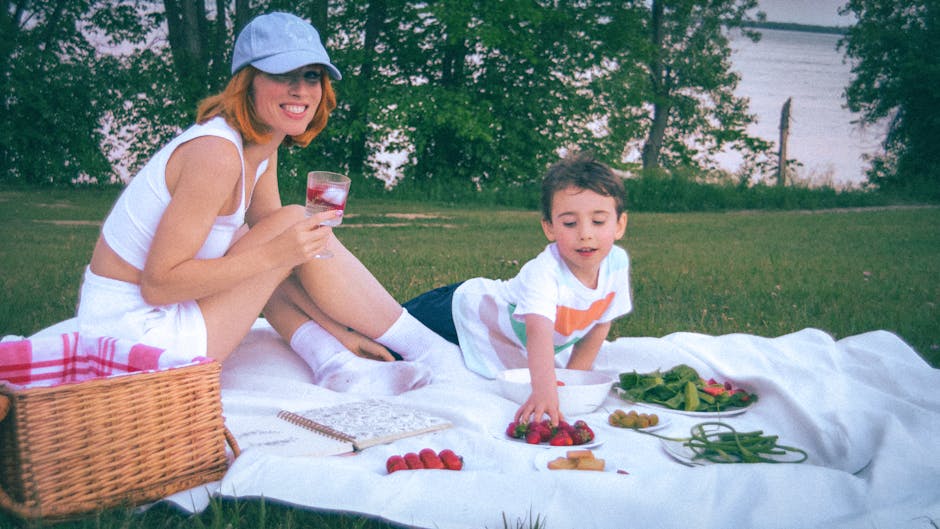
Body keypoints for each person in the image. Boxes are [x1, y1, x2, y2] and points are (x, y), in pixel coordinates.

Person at [76, 12, 443, 394]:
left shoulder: (262, 145)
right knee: (285, 229)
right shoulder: (215, 154)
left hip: (150, 320)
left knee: (276, 232)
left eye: (312, 75)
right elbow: (158, 285)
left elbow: (282, 264)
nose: (301, 89)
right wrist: (272, 254)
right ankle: (428, 349)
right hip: (132, 341)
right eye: (284, 74)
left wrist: (339, 332)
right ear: (247, 82)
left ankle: (336, 361)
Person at [402, 152, 632, 424]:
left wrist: (571, 383)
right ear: (549, 228)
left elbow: (600, 323)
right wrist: (544, 391)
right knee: (392, 328)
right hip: (461, 309)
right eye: (570, 223)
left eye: (598, 221)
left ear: (619, 225)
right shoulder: (545, 272)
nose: (585, 233)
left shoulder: (616, 263)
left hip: (497, 335)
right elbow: (538, 331)